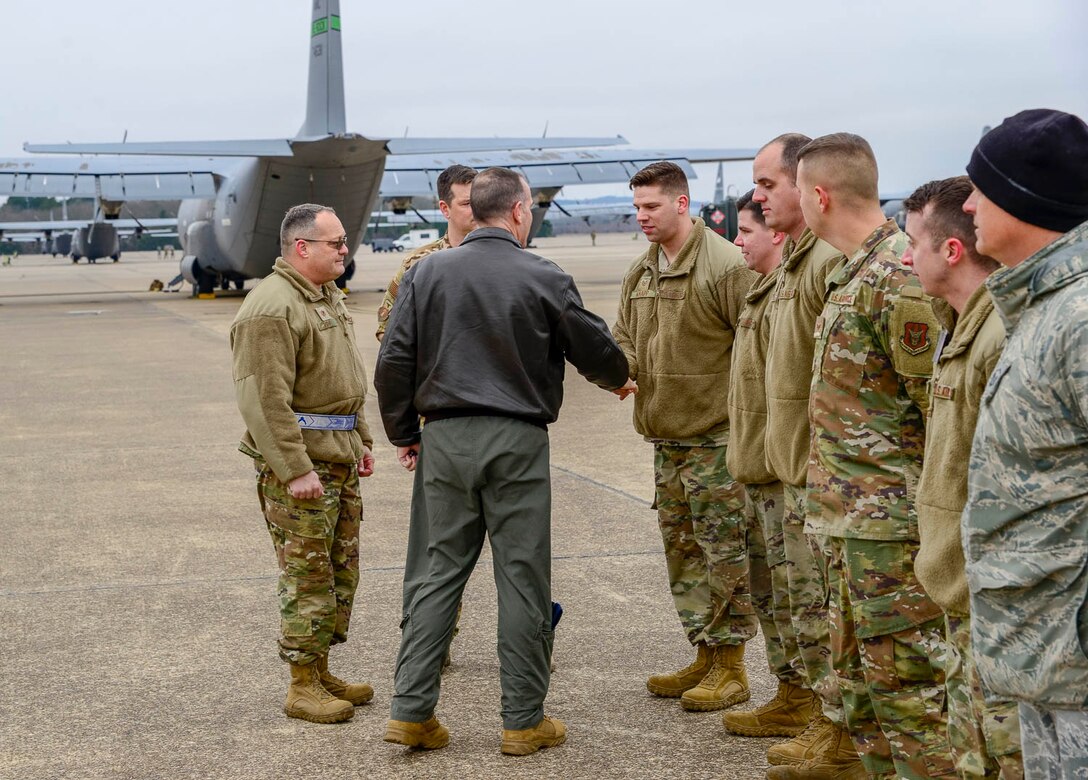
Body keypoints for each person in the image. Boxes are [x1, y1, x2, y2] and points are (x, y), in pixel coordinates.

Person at [375, 167, 633, 755]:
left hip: (443, 437)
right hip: (516, 439)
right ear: (518, 211)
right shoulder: (543, 274)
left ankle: (411, 710)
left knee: (439, 571)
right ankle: (521, 719)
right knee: (521, 576)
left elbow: (394, 359)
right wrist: (617, 378)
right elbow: (593, 347)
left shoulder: (427, 273)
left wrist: (403, 433)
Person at [783, 133, 953, 780]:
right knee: (864, 697)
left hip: (891, 536)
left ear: (819, 196)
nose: (799, 203)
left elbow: (937, 409)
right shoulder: (850, 273)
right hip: (848, 529)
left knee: (911, 702)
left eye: (799, 191)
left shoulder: (896, 280)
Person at [960, 109, 1088, 779]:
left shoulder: (1080, 315)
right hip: (1048, 653)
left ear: (1026, 197)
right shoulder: (1047, 306)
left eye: (982, 187)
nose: (967, 203)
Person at [612, 161, 760, 712]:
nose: (642, 217)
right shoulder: (643, 270)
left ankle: (732, 666)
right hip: (668, 441)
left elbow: (753, 350)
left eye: (651, 206)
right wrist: (620, 369)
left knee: (726, 556)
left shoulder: (725, 267)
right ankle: (705, 652)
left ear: (682, 203)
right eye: (637, 208)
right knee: (685, 554)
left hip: (717, 441)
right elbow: (625, 336)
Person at [230, 203, 376, 725]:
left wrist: (361, 440)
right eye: (336, 242)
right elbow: (263, 401)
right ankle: (300, 685)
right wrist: (295, 470)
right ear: (302, 248)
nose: (345, 249)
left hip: (335, 459)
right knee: (307, 577)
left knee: (338, 572)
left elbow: (344, 380)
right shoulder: (271, 308)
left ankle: (320, 669)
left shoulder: (323, 295)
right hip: (303, 470)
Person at [902, 176, 1023, 779]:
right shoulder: (959, 325)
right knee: (972, 748)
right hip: (961, 581)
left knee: (1008, 752)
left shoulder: (999, 334)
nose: (904, 256)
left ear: (950, 251)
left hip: (995, 593)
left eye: (913, 243)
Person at [750, 134, 857, 773]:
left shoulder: (823, 262)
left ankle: (836, 729)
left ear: (805, 185)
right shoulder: (796, 260)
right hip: (793, 468)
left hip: (823, 476)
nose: (758, 197)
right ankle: (821, 717)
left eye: (767, 184)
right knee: (804, 606)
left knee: (824, 611)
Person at [723, 192, 815, 740]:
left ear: (777, 234)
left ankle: (806, 698)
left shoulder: (794, 292)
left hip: (783, 471)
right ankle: (791, 692)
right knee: (772, 595)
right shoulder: (766, 290)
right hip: (758, 467)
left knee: (798, 597)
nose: (737, 241)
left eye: (746, 231)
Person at [375, 164, 477, 342]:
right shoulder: (418, 263)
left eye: (480, 201)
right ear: (445, 209)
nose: (477, 209)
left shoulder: (504, 258)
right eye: (467, 204)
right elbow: (387, 330)